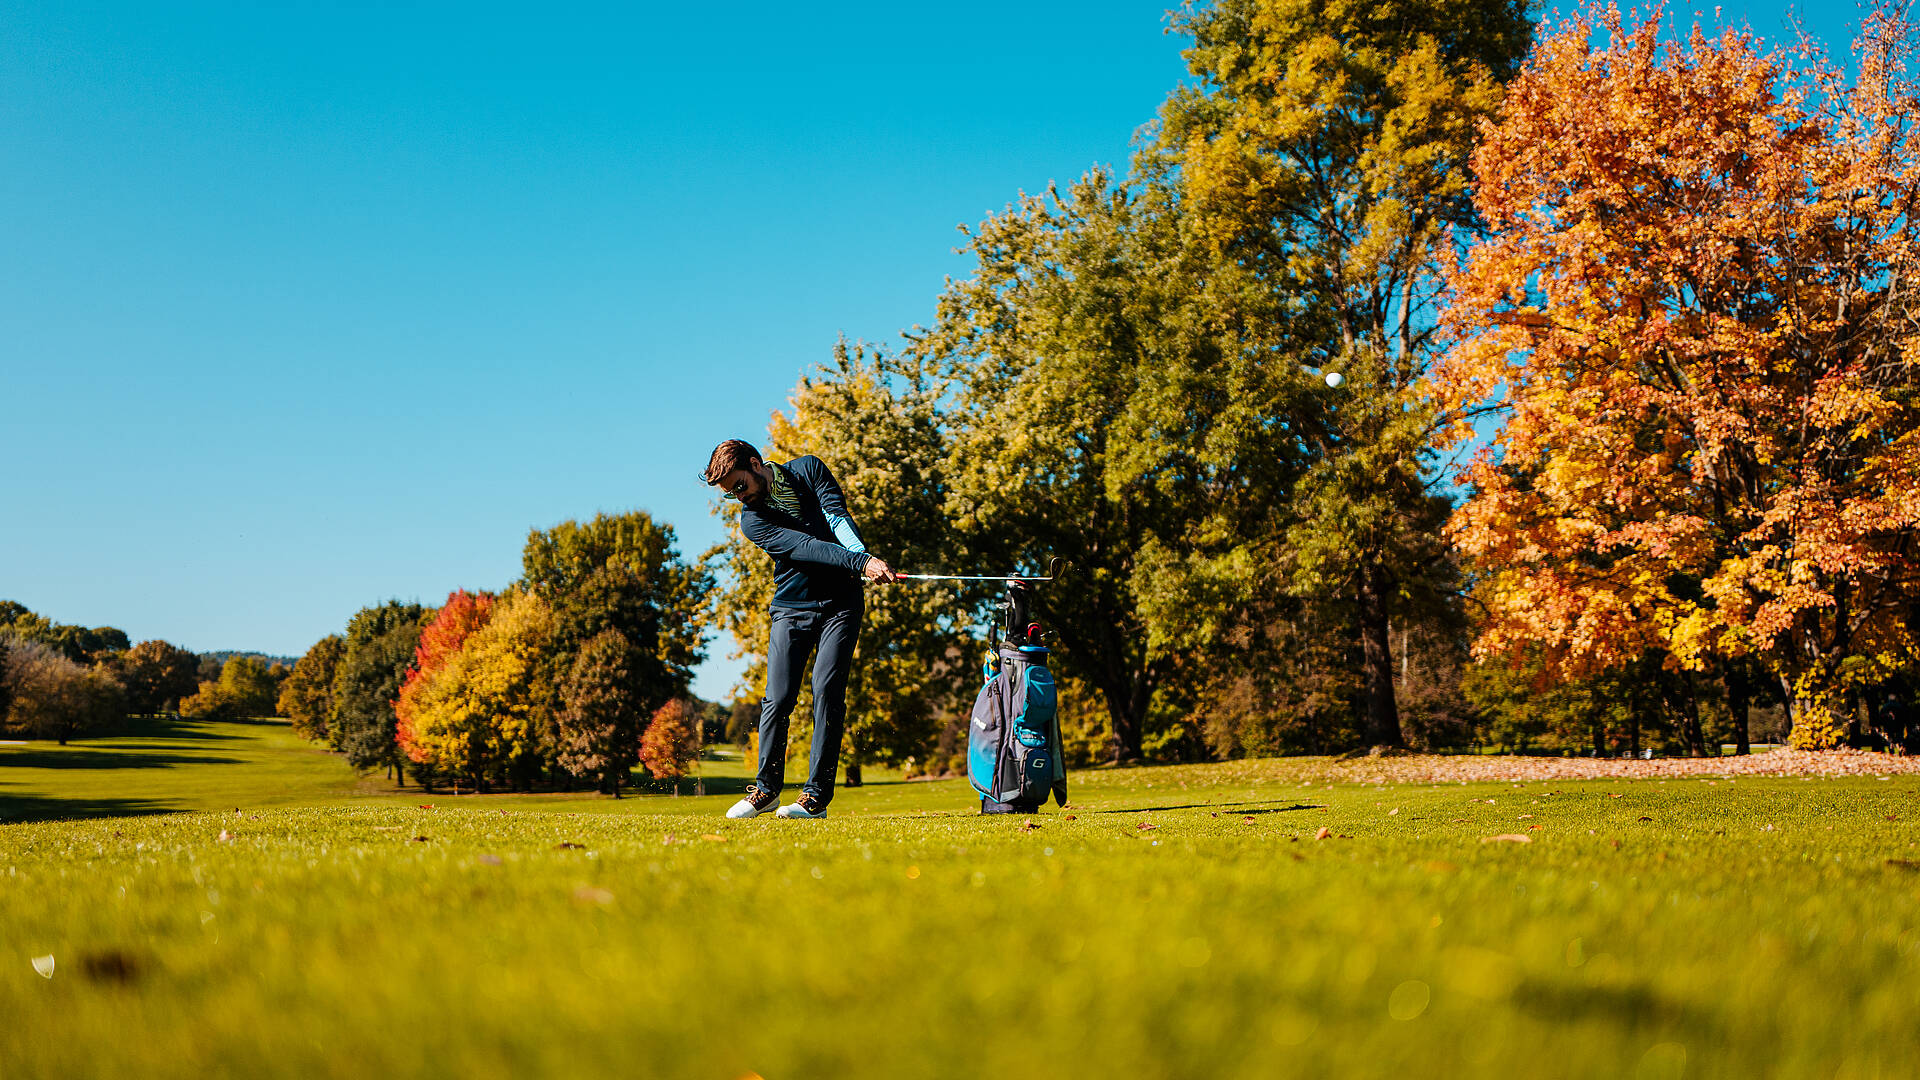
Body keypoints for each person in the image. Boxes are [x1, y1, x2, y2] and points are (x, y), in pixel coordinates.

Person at [702, 439, 898, 819]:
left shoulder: (808, 469)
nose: (739, 497)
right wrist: (861, 563)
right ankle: (766, 790)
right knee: (778, 698)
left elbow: (837, 519)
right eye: (731, 494)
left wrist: (864, 559)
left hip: (841, 604)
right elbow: (806, 546)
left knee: (827, 692)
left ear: (756, 464)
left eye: (740, 486)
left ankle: (815, 798)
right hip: (792, 608)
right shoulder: (752, 520)